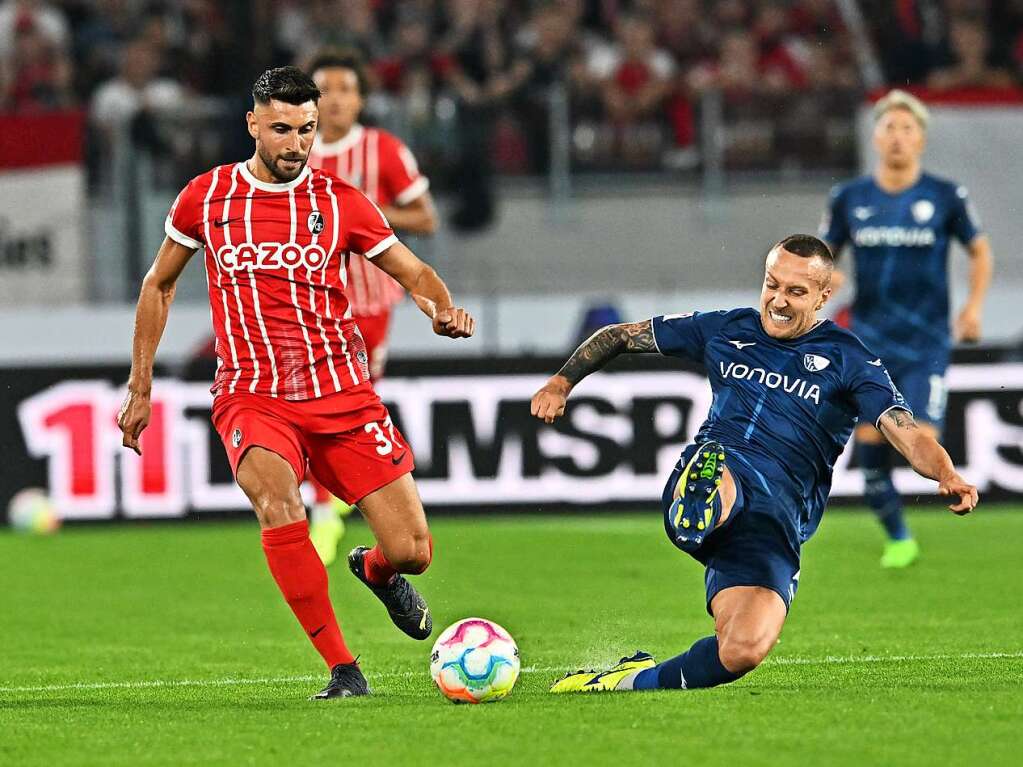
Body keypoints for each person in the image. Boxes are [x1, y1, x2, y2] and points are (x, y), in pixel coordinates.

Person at [116, 66, 475, 699]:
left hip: (341, 392)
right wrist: (140, 387)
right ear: (253, 124)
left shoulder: (340, 202)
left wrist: (440, 307)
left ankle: (374, 569)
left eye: (307, 130)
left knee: (414, 550)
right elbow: (159, 284)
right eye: (282, 129)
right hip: (252, 393)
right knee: (279, 505)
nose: (296, 144)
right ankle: (343, 668)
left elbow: (415, 273)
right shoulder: (206, 197)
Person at [531, 234, 977, 693]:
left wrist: (946, 474)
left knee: (742, 649)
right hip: (720, 470)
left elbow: (905, 430)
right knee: (717, 475)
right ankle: (702, 500)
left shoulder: (851, 360)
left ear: (824, 296)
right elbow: (620, 336)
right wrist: (562, 383)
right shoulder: (725, 328)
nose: (778, 301)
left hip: (778, 518)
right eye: (771, 285)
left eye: (796, 292)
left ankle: (624, 681)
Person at [820, 89, 992, 568]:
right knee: (873, 448)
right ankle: (899, 537)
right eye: (889, 128)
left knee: (919, 439)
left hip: (926, 342)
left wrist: (973, 307)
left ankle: (930, 500)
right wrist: (827, 278)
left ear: (921, 139)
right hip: (869, 341)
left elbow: (979, 250)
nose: (897, 137)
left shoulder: (943, 195)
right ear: (875, 137)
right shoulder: (849, 198)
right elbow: (825, 256)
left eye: (907, 129)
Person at [304, 49, 438, 567]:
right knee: (310, 406)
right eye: (324, 89)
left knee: (350, 406)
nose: (334, 99)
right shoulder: (292, 152)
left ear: (360, 98)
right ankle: (322, 506)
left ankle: (338, 503)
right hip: (305, 303)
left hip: (367, 301)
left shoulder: (382, 150)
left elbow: (426, 219)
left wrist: (364, 213)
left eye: (344, 88)